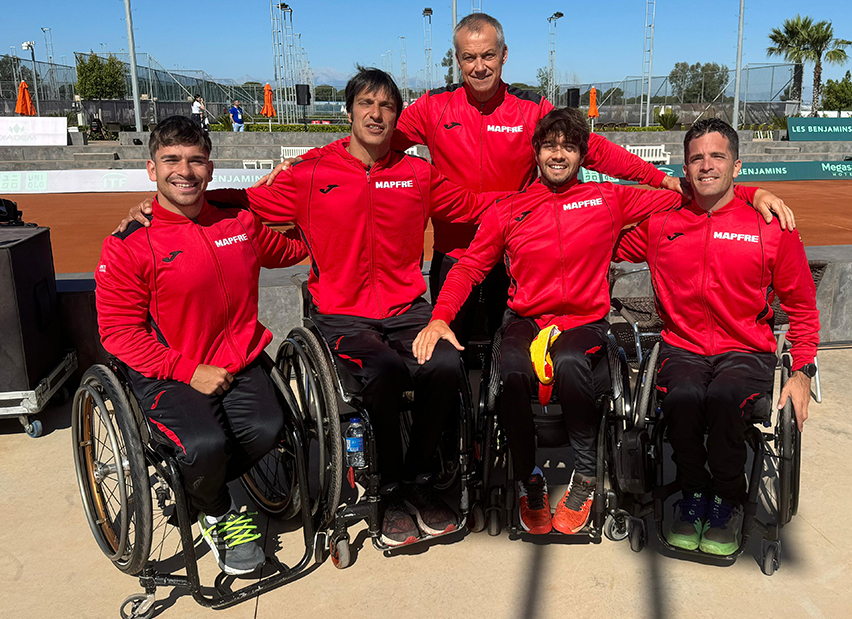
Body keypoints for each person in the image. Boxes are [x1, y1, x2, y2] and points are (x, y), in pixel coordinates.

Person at [118, 68, 508, 548]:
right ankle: (386, 487)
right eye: (366, 104)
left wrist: (548, 199)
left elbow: (478, 205)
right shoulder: (312, 173)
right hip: (341, 314)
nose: (376, 114)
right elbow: (245, 201)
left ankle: (419, 479)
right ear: (349, 112)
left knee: (446, 362)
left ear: (397, 117)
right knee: (384, 371)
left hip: (408, 309)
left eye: (387, 106)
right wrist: (159, 206)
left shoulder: (417, 174)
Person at [412, 108, 791, 536]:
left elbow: (697, 193)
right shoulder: (508, 209)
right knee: (513, 371)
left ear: (582, 156)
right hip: (527, 318)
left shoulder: (608, 200)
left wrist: (751, 194)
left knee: (573, 361)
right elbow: (469, 267)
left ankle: (586, 477)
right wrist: (440, 316)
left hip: (583, 321)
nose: (559, 155)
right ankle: (527, 479)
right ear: (535, 153)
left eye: (569, 147)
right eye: (550, 146)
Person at [262, 12, 687, 349]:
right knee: (450, 348)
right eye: (469, 57)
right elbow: (374, 137)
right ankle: (456, 450)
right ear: (457, 59)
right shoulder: (433, 106)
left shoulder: (531, 106)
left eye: (488, 56)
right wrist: (312, 157)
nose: (479, 66)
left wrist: (656, 178)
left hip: (513, 246)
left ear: (504, 56)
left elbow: (592, 148)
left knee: (507, 346)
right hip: (453, 251)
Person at [95, 116, 308, 575]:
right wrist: (187, 370)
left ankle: (206, 486)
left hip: (239, 360)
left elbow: (292, 250)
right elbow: (117, 332)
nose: (184, 171)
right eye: (171, 160)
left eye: (195, 161)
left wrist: (318, 209)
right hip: (167, 371)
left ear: (210, 169)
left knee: (269, 428)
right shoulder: (129, 244)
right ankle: (215, 508)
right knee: (205, 445)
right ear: (152, 170)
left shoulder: (239, 222)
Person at [614, 117, 820, 556]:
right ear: (684, 169)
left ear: (737, 165)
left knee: (726, 398)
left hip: (745, 348)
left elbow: (802, 307)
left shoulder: (771, 227)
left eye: (717, 156)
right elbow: (600, 238)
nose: (706, 165)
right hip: (682, 345)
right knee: (685, 398)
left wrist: (801, 370)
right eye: (696, 158)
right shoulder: (661, 223)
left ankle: (727, 496)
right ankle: (693, 492)